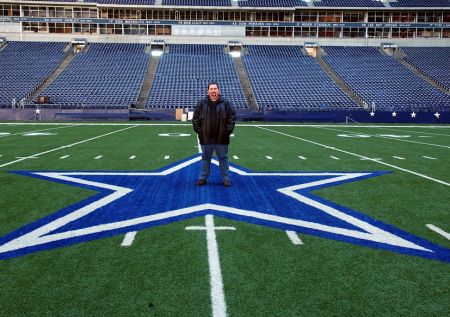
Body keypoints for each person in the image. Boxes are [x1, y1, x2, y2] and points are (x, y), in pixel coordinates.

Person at [192, 82, 236, 187]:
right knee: (205, 158)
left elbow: (232, 117)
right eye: (211, 89)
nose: (213, 91)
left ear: (218, 90)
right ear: (208, 91)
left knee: (223, 158)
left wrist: (226, 131)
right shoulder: (201, 103)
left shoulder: (226, 103)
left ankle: (226, 179)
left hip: (221, 137)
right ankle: (203, 178)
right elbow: (195, 118)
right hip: (206, 136)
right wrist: (200, 130)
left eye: (215, 89)